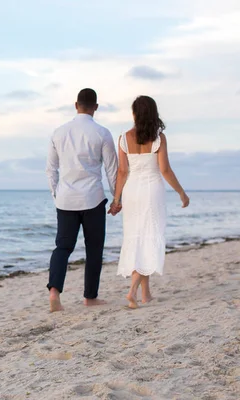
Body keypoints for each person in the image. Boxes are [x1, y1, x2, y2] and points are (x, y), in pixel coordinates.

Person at [46, 88, 120, 312]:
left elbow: (51, 169)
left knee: (62, 247)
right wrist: (117, 198)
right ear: (95, 107)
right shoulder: (102, 133)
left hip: (66, 200)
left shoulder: (59, 132)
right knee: (94, 249)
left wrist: (56, 195)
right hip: (93, 198)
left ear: (75, 105)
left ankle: (54, 292)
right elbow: (112, 169)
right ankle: (90, 297)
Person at [112, 95, 190, 309]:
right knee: (149, 238)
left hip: (132, 192)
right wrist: (181, 192)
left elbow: (122, 171)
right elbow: (164, 169)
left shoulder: (123, 138)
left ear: (135, 113)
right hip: (152, 190)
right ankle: (132, 291)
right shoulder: (159, 138)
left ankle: (146, 294)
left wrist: (117, 199)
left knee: (137, 237)